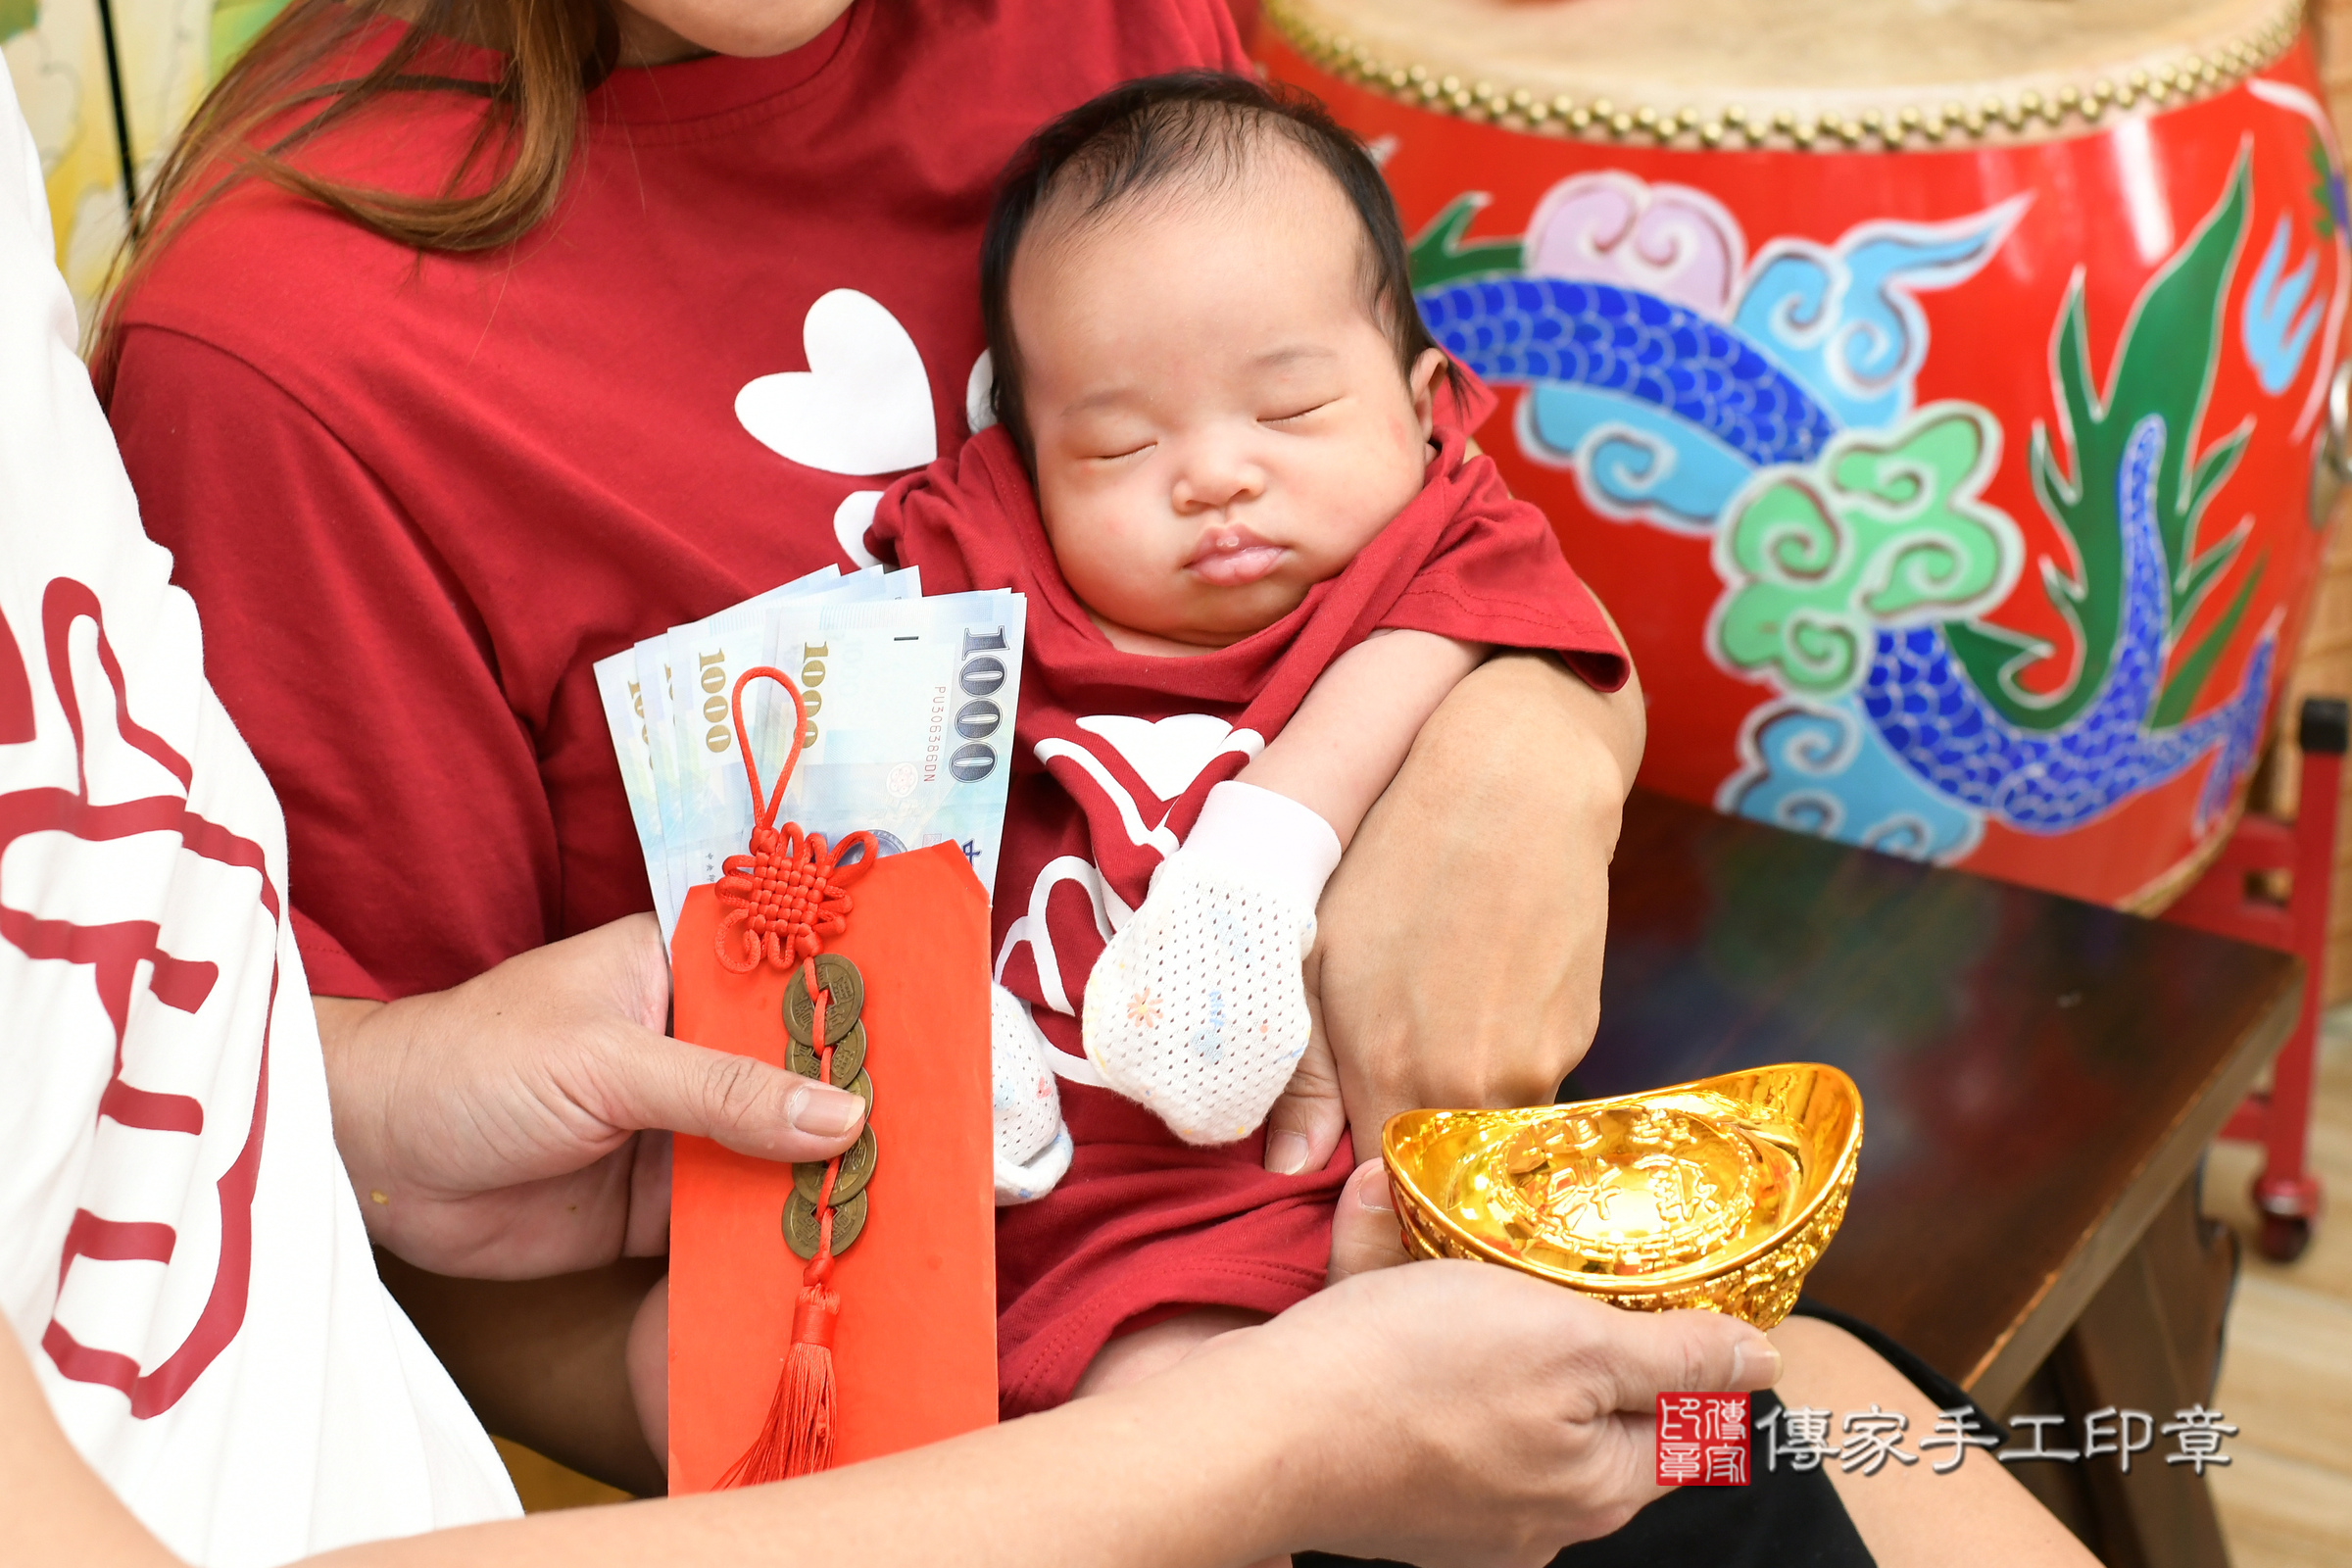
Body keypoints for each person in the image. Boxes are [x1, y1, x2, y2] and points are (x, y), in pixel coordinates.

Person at [95, 0, 1643, 1488]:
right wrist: (1164, 1455)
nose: (1209, 482)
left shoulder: (1103, 39)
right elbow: (385, 1204)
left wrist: (1535, 737)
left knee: (1787, 1429)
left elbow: (1419, 501)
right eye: (1108, 447)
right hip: (1044, 1408)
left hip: (1463, 1195)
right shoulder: (274, 363)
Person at [867, 73, 1628, 1416]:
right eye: (1116, 445)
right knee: (1194, 1434)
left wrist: (1267, 850)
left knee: (1658, 1419)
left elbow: (1494, 627)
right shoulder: (985, 567)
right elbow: (878, 761)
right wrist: (927, 991)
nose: (1214, 475)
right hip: (1079, 1216)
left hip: (1392, 1152)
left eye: (1288, 416)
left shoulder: (1438, 538)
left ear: (1421, 401)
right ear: (1020, 457)